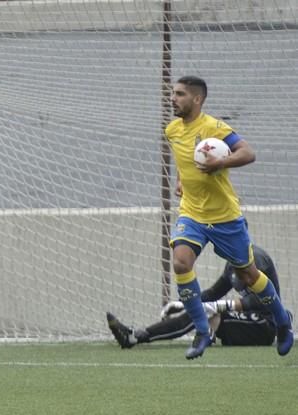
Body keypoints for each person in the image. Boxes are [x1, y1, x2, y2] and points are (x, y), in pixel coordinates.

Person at [163, 75, 292, 359]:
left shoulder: (214, 127)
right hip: (192, 213)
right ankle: (201, 331)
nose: (174, 98)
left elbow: (248, 153)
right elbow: (186, 161)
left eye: (180, 94)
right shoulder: (172, 130)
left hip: (224, 217)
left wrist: (222, 161)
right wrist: (183, 181)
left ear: (197, 99)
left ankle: (282, 321)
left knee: (249, 274)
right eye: (173, 93)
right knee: (181, 262)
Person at [107, 245, 289, 349]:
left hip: (265, 326)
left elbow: (260, 301)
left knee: (210, 313)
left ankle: (137, 337)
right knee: (202, 311)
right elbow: (213, 293)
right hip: (246, 321)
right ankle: (138, 335)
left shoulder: (258, 261)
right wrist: (184, 304)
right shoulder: (231, 264)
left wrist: (216, 307)